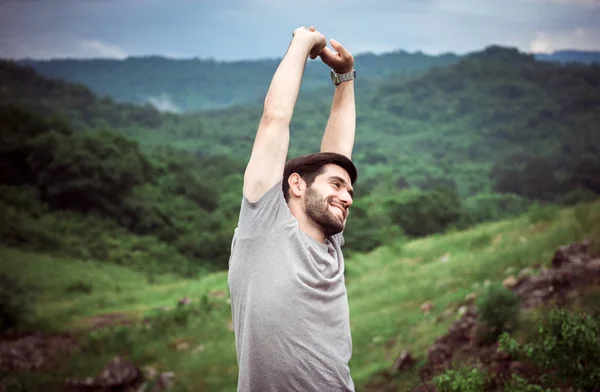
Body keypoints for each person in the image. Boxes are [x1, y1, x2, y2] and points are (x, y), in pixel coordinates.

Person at [228, 25, 358, 392]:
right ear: (296, 185)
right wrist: (304, 41)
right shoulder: (263, 222)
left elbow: (339, 154)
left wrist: (345, 77)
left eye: (350, 190)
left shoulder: (331, 244)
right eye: (336, 185)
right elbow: (275, 120)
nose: (348, 197)